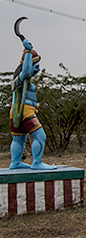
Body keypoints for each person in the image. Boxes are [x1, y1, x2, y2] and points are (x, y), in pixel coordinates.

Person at [9, 18, 56, 170]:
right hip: (25, 112)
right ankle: (36, 162)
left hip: (16, 112)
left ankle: (15, 162)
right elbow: (27, 71)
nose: (38, 69)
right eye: (37, 66)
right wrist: (28, 51)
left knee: (19, 139)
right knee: (40, 136)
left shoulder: (20, 81)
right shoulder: (21, 78)